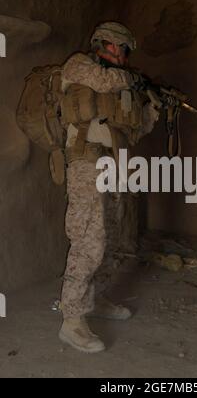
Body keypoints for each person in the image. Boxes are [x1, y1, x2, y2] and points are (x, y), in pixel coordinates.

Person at [59, 22, 159, 353]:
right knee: (89, 239)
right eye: (119, 48)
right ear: (104, 45)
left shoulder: (123, 86)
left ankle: (96, 298)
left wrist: (153, 109)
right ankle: (71, 320)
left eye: (125, 51)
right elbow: (105, 80)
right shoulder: (79, 65)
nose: (123, 56)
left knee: (111, 238)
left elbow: (133, 130)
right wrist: (136, 81)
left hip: (113, 166)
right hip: (86, 164)